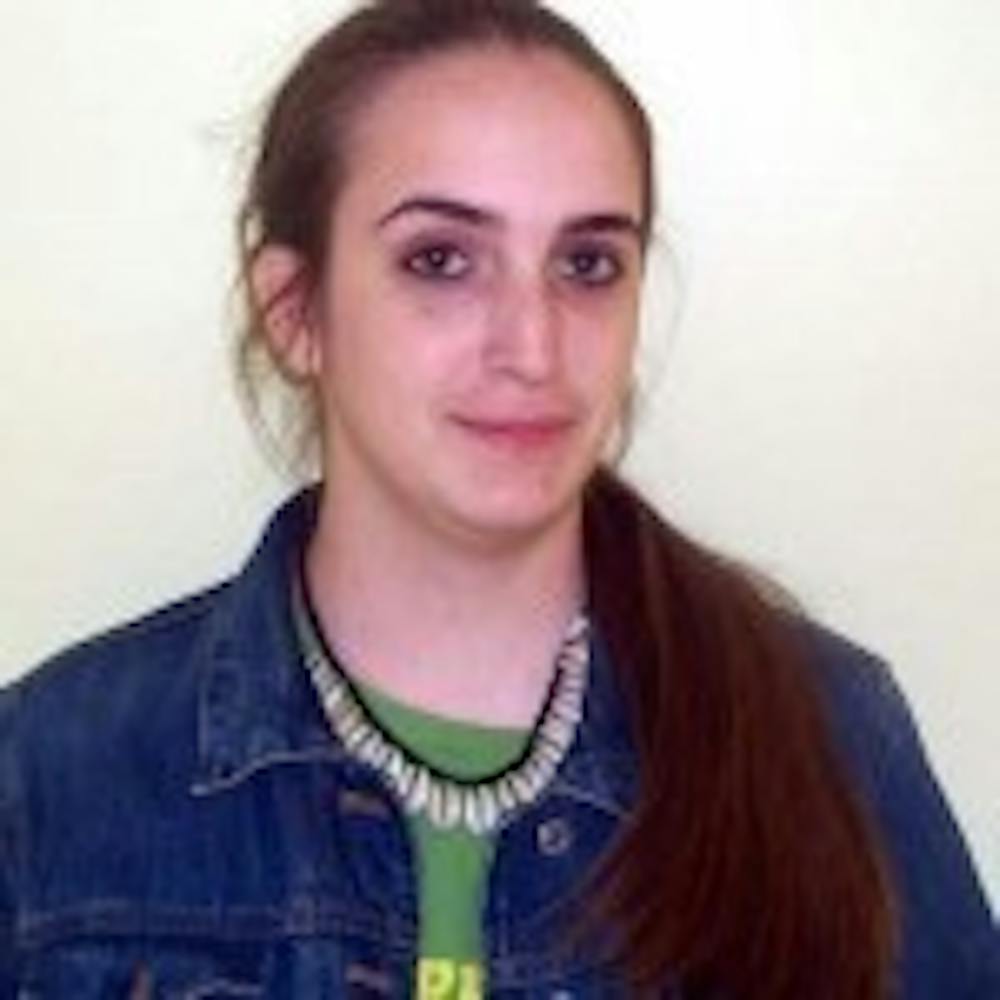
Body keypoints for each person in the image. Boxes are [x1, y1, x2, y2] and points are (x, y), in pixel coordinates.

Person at [1, 0, 997, 996]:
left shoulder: (828, 739)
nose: (534, 347)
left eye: (587, 265)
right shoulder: (48, 777)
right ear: (294, 311)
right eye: (440, 260)